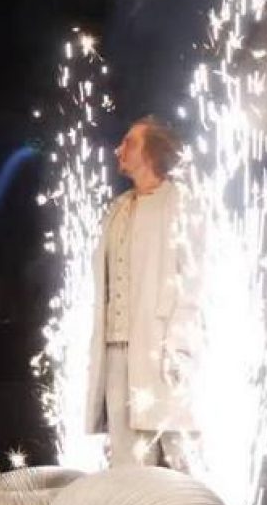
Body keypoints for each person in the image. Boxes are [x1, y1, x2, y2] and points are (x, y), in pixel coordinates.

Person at [85, 116, 202, 470]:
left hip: (161, 346)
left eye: (129, 143)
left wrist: (178, 343)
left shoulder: (181, 202)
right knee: (127, 461)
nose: (118, 149)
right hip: (116, 350)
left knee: (179, 454)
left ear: (151, 152)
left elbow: (193, 278)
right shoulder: (117, 208)